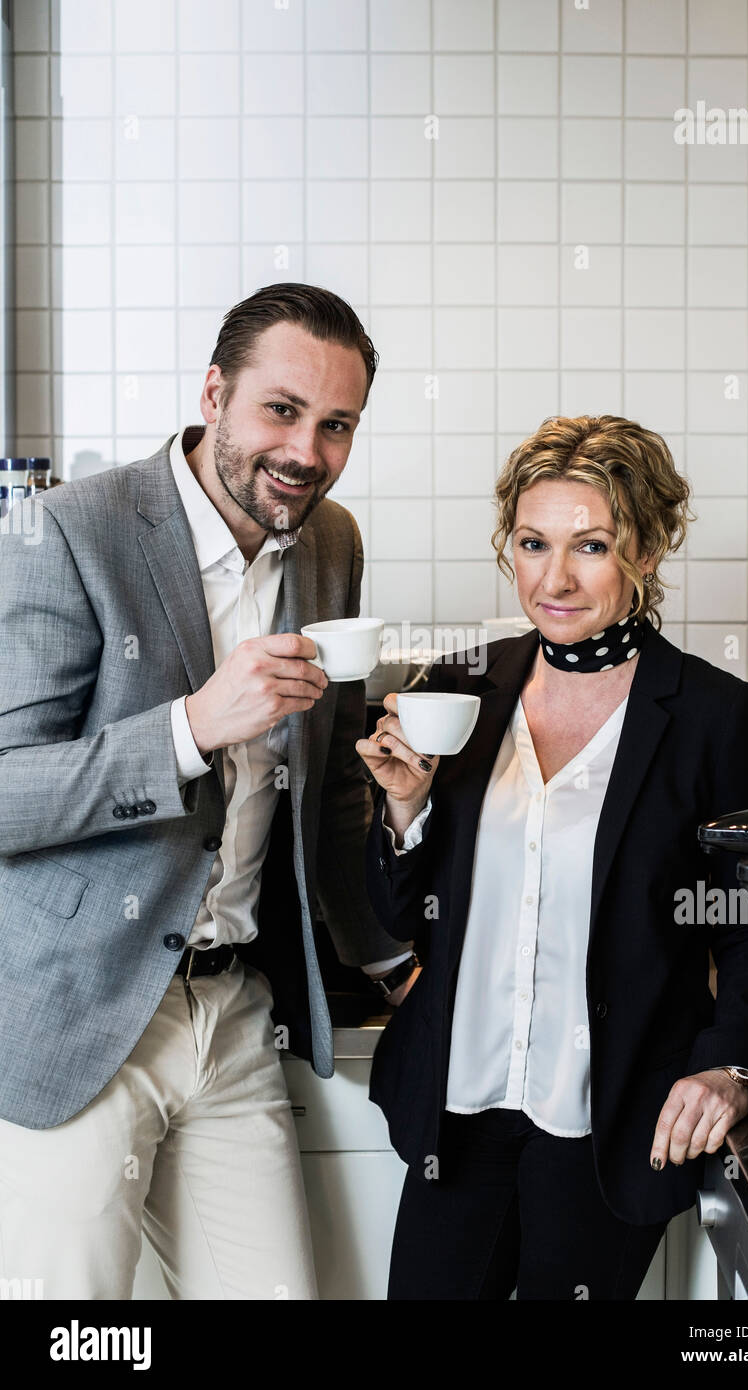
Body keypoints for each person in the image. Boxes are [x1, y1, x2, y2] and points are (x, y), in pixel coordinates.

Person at [0, 283, 417, 1300]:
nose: (306, 453)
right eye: (281, 410)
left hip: (233, 1009)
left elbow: (327, 802)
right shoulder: (68, 531)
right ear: (214, 393)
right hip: (78, 1012)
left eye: (336, 426)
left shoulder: (330, 544)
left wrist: (395, 961)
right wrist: (189, 728)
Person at [357, 414, 748, 1300]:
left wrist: (730, 1065)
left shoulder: (710, 714)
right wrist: (404, 810)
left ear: (649, 548)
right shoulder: (458, 687)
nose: (555, 578)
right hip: (457, 1110)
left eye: (591, 545)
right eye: (533, 542)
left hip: (605, 1120)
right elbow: (405, 912)